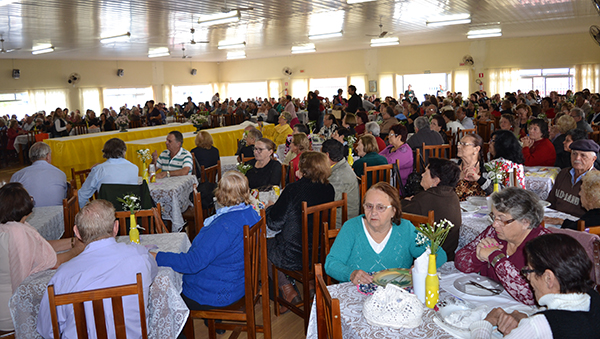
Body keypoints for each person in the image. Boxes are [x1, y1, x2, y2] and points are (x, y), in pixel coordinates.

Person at [37, 199, 157, 338]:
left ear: (77, 233)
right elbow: (153, 272)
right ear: (116, 227)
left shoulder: (62, 277)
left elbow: (47, 330)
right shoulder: (139, 256)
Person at [154, 171, 260, 312]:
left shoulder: (223, 226)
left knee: (165, 296)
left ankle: (183, 332)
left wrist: (157, 256)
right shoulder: (251, 214)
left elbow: (193, 263)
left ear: (220, 194)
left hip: (216, 293)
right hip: (238, 282)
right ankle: (216, 324)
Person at [469, 233, 600, 339]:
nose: (528, 277)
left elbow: (547, 326)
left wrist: (485, 324)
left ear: (548, 278)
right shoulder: (594, 298)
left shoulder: (540, 326)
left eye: (529, 270)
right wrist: (528, 317)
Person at [325, 182, 447, 284]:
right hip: (358, 297)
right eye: (368, 206)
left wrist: (423, 265)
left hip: (397, 299)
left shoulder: (406, 229)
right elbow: (331, 263)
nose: (373, 212)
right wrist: (350, 274)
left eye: (380, 207)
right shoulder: (351, 228)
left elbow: (439, 253)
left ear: (393, 211)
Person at [0, 183, 83, 332]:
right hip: (13, 312)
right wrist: (77, 250)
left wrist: (71, 242)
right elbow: (54, 262)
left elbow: (40, 246)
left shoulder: (6, 228)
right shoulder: (19, 233)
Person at [455, 187, 550, 305]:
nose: (494, 224)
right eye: (494, 217)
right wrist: (477, 257)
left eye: (501, 219)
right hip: (486, 303)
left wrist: (495, 257)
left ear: (526, 222)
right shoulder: (494, 233)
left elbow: (530, 297)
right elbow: (459, 260)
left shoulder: (544, 245)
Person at [266, 152, 335, 312]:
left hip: (294, 255)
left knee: (264, 243)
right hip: (321, 252)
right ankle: (310, 285)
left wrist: (270, 208)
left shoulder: (293, 189)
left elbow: (274, 223)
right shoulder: (328, 188)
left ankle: (287, 289)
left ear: (304, 169)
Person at [402, 158, 462, 260]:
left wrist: (404, 201)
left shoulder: (424, 199)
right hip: (448, 256)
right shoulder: (453, 195)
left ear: (436, 181)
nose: (422, 175)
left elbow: (398, 212)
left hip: (428, 259)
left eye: (426, 172)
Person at [78, 138, 138, 208]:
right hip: (129, 211)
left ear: (105, 153)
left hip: (105, 213)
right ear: (124, 151)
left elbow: (82, 196)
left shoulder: (99, 170)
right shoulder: (134, 168)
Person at [546, 139, 599, 218]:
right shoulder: (563, 173)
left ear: (593, 159)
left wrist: (563, 222)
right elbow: (551, 202)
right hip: (554, 219)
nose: (577, 158)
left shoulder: (596, 181)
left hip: (578, 226)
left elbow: (594, 219)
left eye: (583, 155)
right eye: (574, 154)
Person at [10, 142, 68, 207]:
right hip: (58, 214)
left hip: (28, 215)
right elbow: (64, 196)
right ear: (48, 157)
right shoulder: (60, 174)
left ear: (30, 158)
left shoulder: (18, 175)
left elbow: (11, 201)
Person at [321, 139, 360, 228]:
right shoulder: (339, 165)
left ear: (327, 155)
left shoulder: (340, 176)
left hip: (341, 223)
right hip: (337, 215)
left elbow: (327, 200)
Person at [453, 133, 490, 201]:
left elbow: (497, 192)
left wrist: (479, 179)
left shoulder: (487, 168)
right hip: (456, 208)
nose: (458, 147)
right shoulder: (452, 166)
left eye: (464, 144)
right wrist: (458, 177)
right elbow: (441, 188)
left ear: (476, 149)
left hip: (481, 209)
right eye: (459, 143)